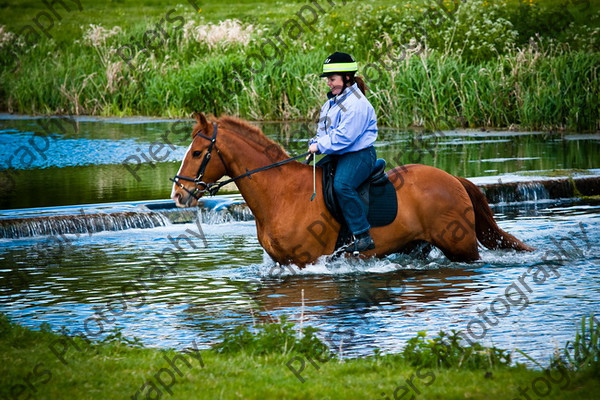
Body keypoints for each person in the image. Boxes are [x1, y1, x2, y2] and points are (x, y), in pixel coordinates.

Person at [308, 51, 378, 254]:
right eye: (328, 80)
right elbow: (324, 133)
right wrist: (314, 144)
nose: (329, 84)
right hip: (339, 154)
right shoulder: (331, 103)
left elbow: (344, 137)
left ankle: (362, 235)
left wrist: (320, 147)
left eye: (332, 79)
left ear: (347, 78)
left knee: (342, 186)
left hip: (359, 155)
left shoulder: (357, 104)